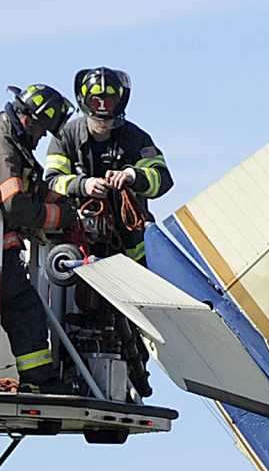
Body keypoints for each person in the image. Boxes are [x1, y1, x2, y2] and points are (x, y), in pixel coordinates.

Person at [44, 66, 173, 396]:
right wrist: (82, 184)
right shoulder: (67, 136)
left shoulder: (135, 138)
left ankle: (136, 366)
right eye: (97, 100)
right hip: (79, 243)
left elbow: (162, 178)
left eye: (110, 101)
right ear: (86, 102)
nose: (104, 109)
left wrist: (132, 176)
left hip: (128, 243)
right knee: (75, 309)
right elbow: (51, 180)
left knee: (134, 311)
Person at [0, 83, 73, 390]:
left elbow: (29, 185)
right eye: (42, 132)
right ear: (29, 120)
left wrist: (63, 201)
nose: (40, 140)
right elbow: (16, 206)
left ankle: (39, 379)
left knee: (21, 310)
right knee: (25, 311)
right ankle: (42, 382)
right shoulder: (1, 147)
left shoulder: (10, 141)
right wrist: (61, 218)